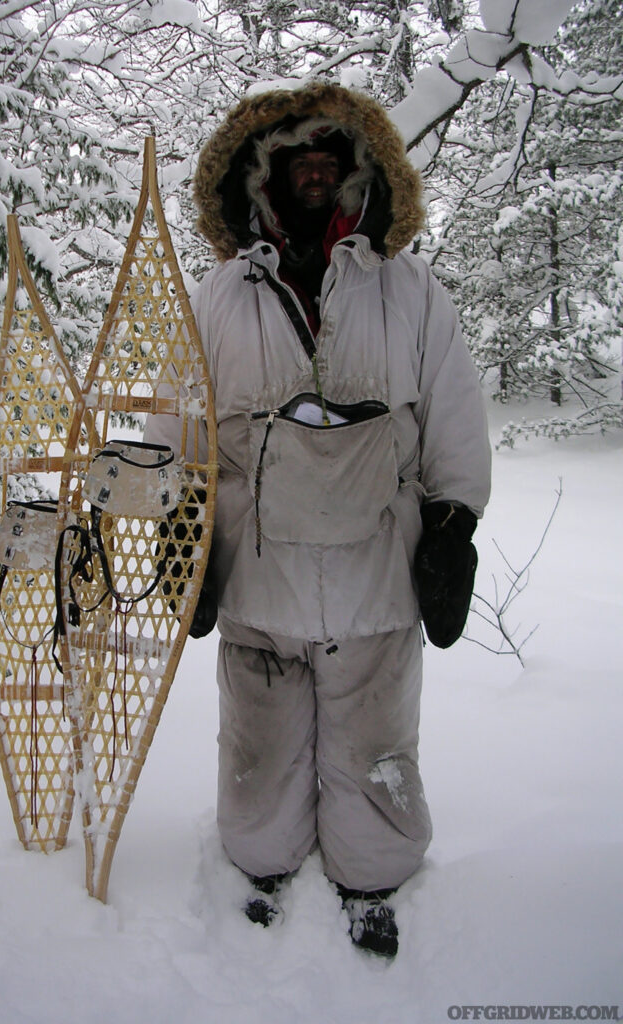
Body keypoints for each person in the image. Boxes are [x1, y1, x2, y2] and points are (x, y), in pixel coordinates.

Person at [145, 81, 491, 958]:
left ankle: (371, 878)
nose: (313, 174)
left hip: (378, 573)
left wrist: (454, 525)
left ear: (359, 176)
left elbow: (452, 414)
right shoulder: (218, 297)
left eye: (329, 161)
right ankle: (260, 866)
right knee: (258, 749)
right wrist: (178, 530)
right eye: (295, 160)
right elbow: (175, 421)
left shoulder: (412, 292)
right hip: (258, 577)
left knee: (374, 742)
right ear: (258, 181)